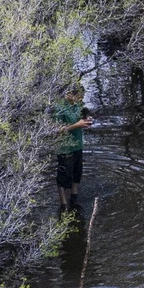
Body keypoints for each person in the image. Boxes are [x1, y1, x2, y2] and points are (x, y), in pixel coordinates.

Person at [51, 82, 90, 211]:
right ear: (69, 94)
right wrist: (76, 126)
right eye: (79, 96)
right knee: (63, 176)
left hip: (78, 145)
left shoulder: (78, 106)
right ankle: (63, 204)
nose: (81, 100)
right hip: (65, 147)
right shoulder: (59, 108)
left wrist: (87, 120)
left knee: (77, 173)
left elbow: (82, 117)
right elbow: (55, 131)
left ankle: (74, 197)